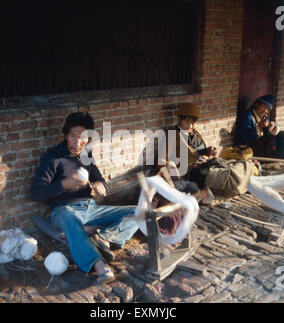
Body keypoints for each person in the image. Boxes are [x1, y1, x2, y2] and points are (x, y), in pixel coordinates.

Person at [30, 112, 138, 284]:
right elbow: (36, 193)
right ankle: (99, 265)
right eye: (73, 136)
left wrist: (102, 186)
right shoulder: (53, 158)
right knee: (68, 215)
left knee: (138, 211)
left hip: (91, 208)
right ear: (65, 134)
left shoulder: (86, 156)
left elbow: (100, 180)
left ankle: (105, 238)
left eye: (84, 138)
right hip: (64, 211)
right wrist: (65, 184)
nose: (77, 142)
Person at [154, 102, 255, 199]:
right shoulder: (173, 135)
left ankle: (247, 182)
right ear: (180, 119)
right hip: (194, 171)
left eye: (192, 122)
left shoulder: (195, 133)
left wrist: (208, 150)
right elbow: (160, 160)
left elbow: (197, 151)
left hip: (208, 163)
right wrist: (172, 171)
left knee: (243, 166)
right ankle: (243, 185)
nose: (190, 126)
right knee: (228, 177)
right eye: (187, 121)